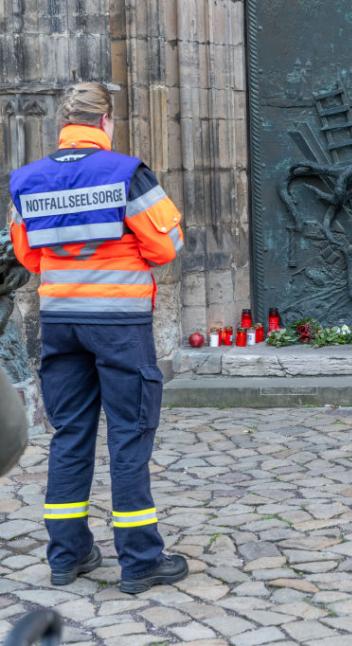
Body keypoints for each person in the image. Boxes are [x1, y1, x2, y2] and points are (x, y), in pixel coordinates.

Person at [9, 82, 188, 594]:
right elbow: (165, 245)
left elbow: (29, 257)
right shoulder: (126, 173)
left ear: (64, 125)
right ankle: (140, 561)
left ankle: (67, 555)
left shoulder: (28, 180)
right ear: (105, 122)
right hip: (118, 325)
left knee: (71, 435)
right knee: (128, 434)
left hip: (61, 320)